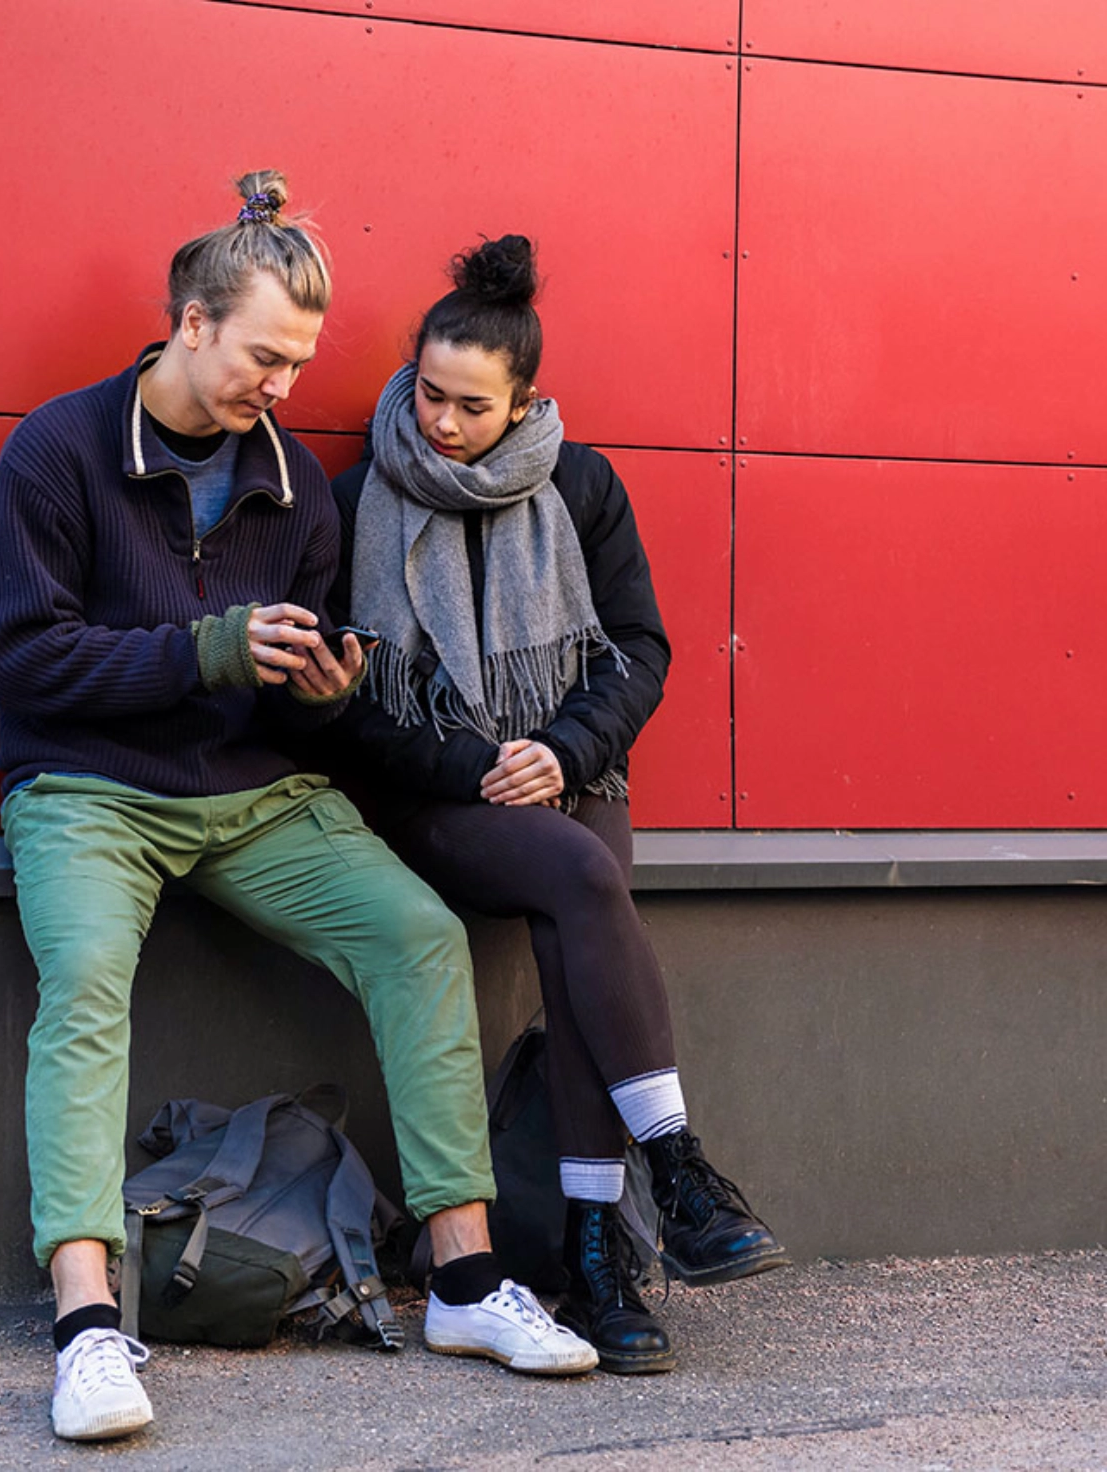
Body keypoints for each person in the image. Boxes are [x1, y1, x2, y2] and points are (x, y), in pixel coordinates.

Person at [0, 179, 598, 1442]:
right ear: (189, 321)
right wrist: (208, 651)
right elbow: (25, 659)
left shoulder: (294, 487)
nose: (283, 383)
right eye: (264, 354)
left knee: (416, 933)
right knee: (89, 970)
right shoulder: (58, 451)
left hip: (250, 791)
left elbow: (292, 704)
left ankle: (467, 1279)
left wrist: (323, 691)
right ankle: (89, 1323)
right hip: (88, 783)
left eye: (299, 361)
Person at [328, 234, 788, 1376]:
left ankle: (593, 1248)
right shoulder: (355, 498)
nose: (439, 422)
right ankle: (673, 1164)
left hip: (568, 770)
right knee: (587, 878)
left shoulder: (580, 484)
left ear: (524, 399)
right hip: (433, 792)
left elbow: (638, 648)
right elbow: (330, 701)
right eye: (427, 392)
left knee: (575, 904)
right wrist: (471, 759)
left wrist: (560, 744)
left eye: (470, 406)